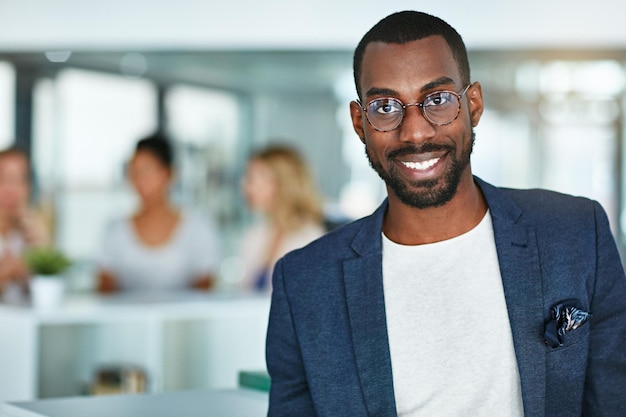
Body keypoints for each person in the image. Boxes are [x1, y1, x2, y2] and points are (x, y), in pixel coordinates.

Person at [265, 11, 626, 417]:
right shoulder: (306, 284)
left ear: (473, 104)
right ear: (359, 121)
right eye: (385, 107)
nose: (415, 132)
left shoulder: (576, 233)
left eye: (437, 100)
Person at [97, 133, 220, 293]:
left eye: (147, 171)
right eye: (134, 172)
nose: (139, 180)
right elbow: (105, 293)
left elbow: (205, 294)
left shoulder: (199, 229)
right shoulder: (114, 230)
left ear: (169, 173)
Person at [239, 145, 325, 292]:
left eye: (252, 179)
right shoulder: (256, 233)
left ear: (280, 184)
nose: (244, 186)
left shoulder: (310, 239)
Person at [0, 148, 50, 295]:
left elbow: (49, 296)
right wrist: (6, 273)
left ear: (28, 187)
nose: (11, 189)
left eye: (19, 180)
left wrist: (42, 253)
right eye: (4, 179)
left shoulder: (34, 231)